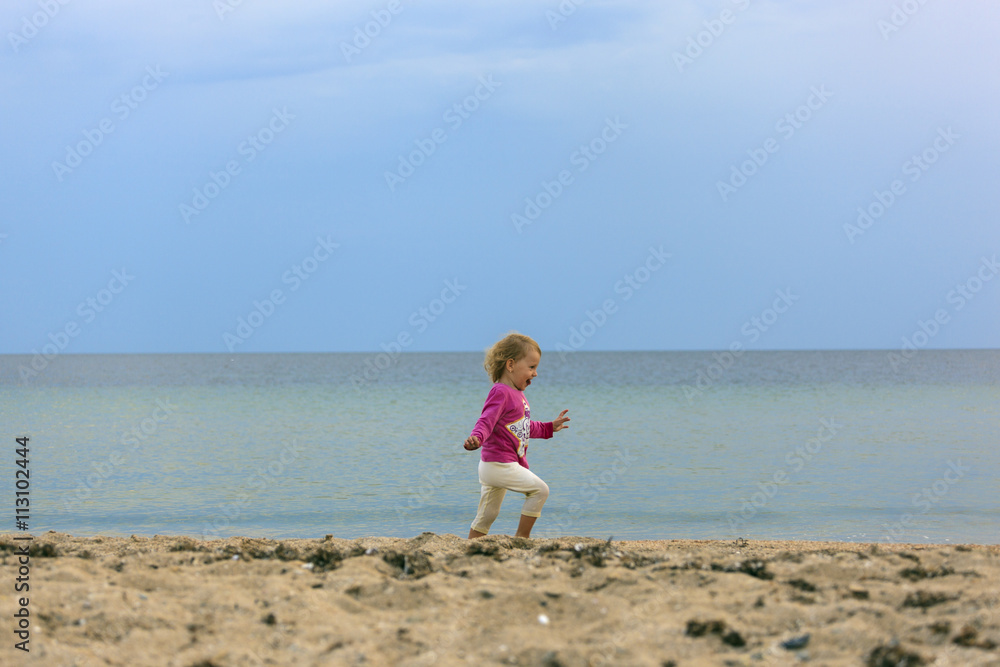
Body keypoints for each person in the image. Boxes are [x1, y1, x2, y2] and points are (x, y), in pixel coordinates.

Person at [464, 332, 569, 539]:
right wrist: (476, 437)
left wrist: (549, 427)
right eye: (531, 367)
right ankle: (522, 538)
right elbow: (486, 420)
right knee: (540, 491)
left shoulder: (517, 395)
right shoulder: (501, 392)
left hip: (494, 466)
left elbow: (522, 428)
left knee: (488, 514)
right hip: (500, 464)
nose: (535, 373)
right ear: (510, 365)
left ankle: (470, 546)